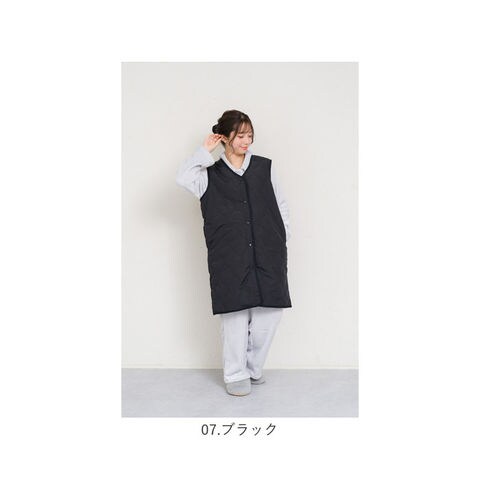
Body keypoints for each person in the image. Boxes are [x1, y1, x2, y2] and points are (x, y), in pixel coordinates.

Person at [176, 109, 292, 396]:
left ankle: (252, 368)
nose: (246, 141)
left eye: (249, 135)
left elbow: (281, 205)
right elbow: (183, 178)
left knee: (270, 314)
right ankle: (235, 373)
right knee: (235, 318)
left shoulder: (265, 167)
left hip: (268, 251)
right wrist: (204, 151)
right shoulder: (208, 175)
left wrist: (282, 239)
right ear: (225, 137)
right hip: (229, 257)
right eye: (240, 135)